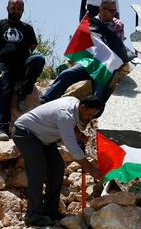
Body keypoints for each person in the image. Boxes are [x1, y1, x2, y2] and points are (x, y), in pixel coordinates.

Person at [13, 95, 105, 226]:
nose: (90, 118)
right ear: (83, 107)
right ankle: (33, 216)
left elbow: (73, 124)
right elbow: (73, 149)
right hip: (25, 133)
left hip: (44, 137)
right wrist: (91, 169)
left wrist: (78, 134)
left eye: (93, 116)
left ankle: (50, 210)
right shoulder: (65, 115)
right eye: (89, 115)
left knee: (57, 168)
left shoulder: (75, 103)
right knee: (38, 171)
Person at [40, 0, 131, 104]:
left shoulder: (117, 25)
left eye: (115, 11)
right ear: (101, 9)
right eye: (111, 11)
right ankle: (45, 101)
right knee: (66, 74)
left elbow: (117, 49)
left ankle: (94, 117)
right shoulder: (90, 22)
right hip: (87, 63)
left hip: (103, 67)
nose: (113, 14)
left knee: (98, 94)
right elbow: (81, 44)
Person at [0, 0, 45, 141]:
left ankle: (24, 92)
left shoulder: (27, 28)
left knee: (39, 59)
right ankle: (2, 129)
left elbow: (34, 47)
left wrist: (37, 52)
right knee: (4, 93)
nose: (16, 11)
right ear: (7, 8)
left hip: (22, 66)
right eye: (13, 8)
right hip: (3, 66)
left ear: (23, 11)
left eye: (19, 9)